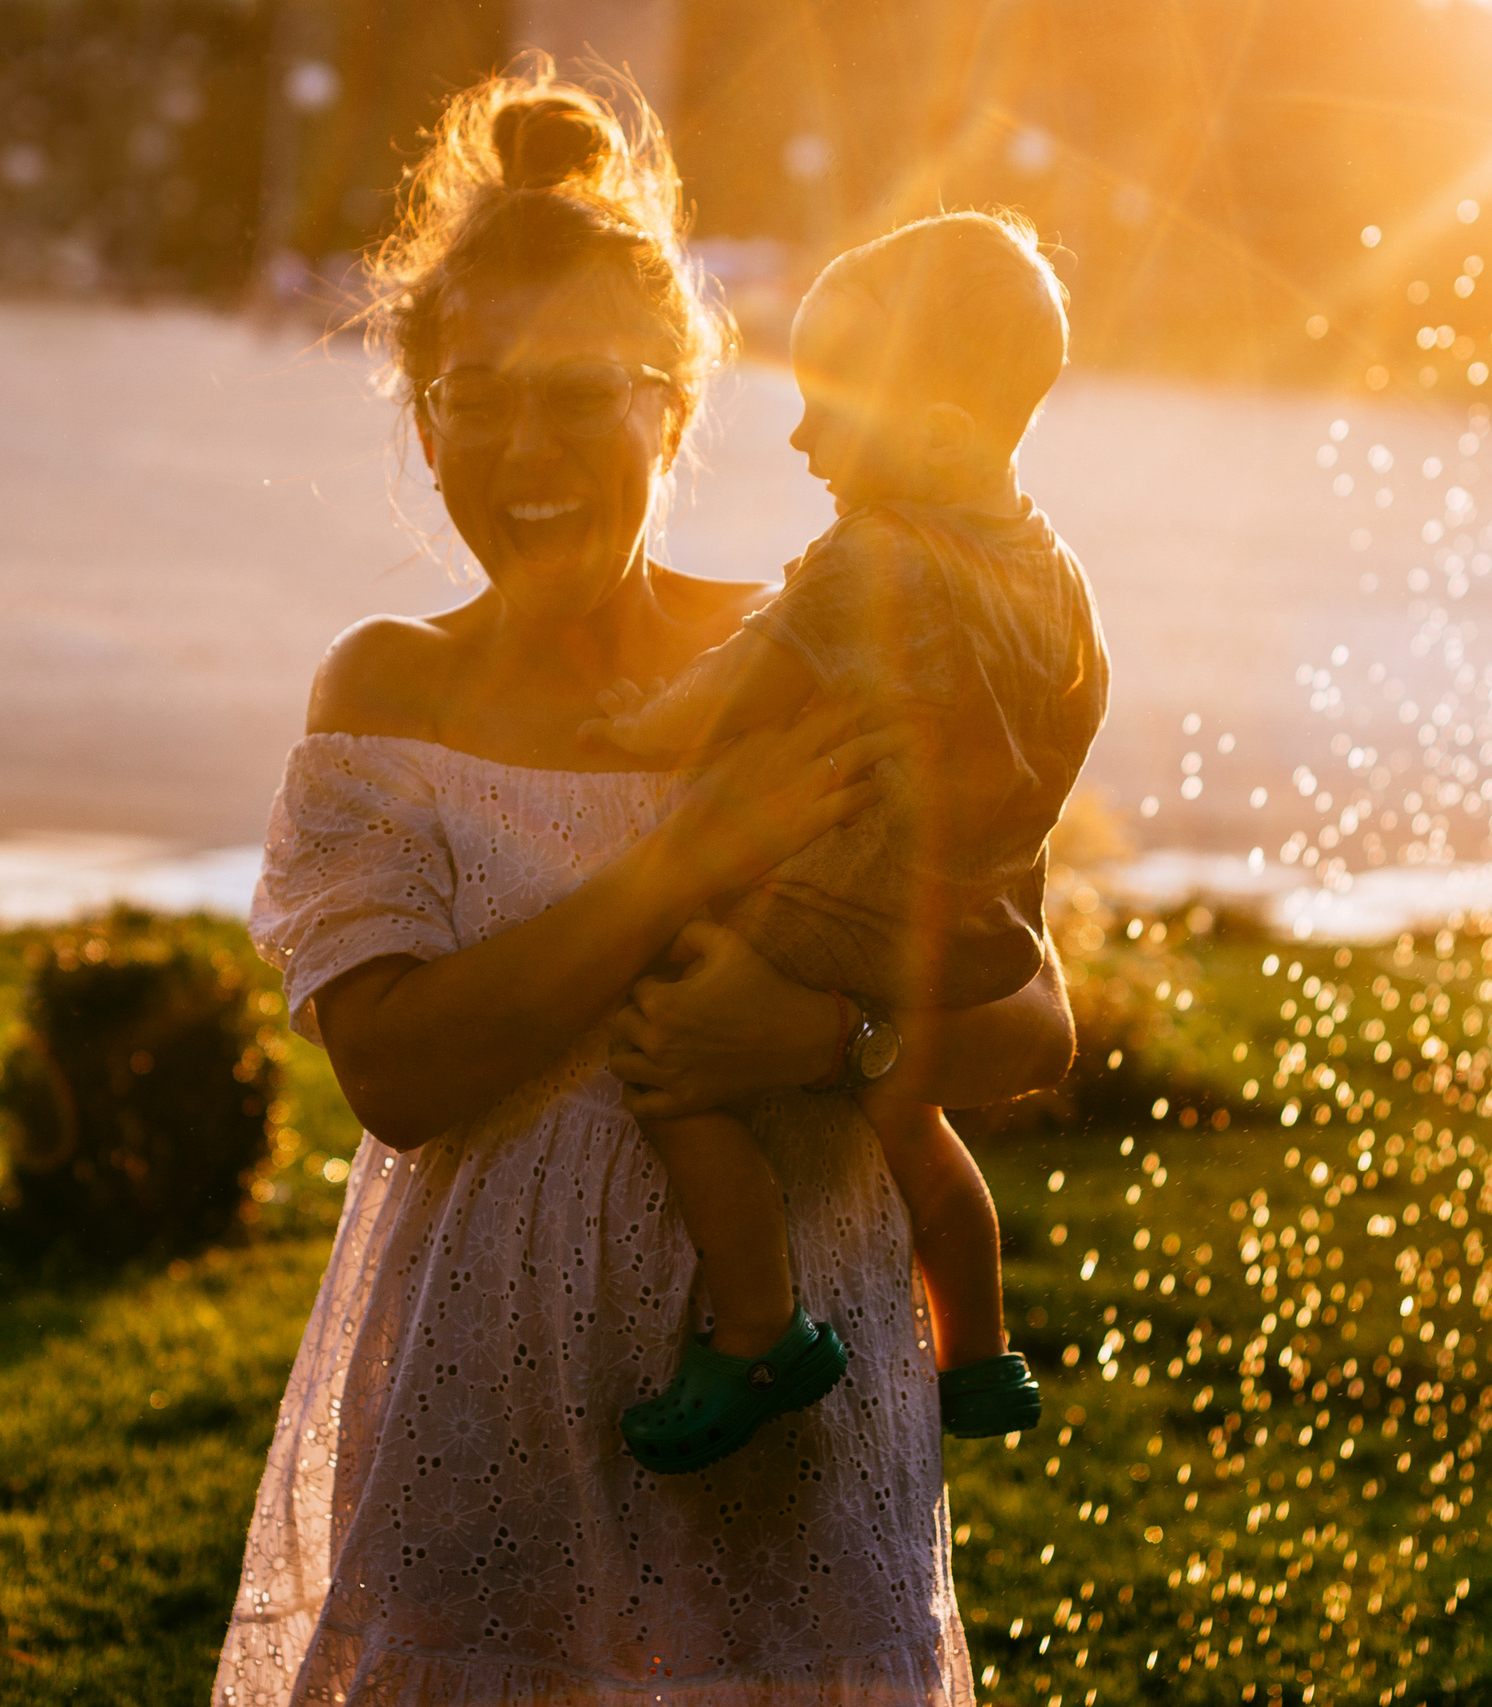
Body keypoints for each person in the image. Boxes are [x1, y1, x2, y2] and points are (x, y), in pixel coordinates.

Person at [212, 62, 1077, 1707]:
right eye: (480, 397)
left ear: (674, 403)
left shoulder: (820, 648)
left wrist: (811, 1045)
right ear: (424, 416)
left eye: (581, 392)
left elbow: (1029, 1007)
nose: (526, 447)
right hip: (495, 1421)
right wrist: (684, 861)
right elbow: (398, 1071)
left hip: (799, 1429)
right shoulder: (386, 691)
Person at [586, 212, 1107, 1475]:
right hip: (976, 932)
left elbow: (735, 688)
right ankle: (976, 1351)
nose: (802, 434)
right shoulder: (1058, 575)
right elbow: (1076, 714)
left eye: (828, 404)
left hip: (840, 917)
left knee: (676, 1068)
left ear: (932, 438)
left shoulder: (873, 557)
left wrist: (625, 721)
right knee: (912, 1120)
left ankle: (759, 1325)